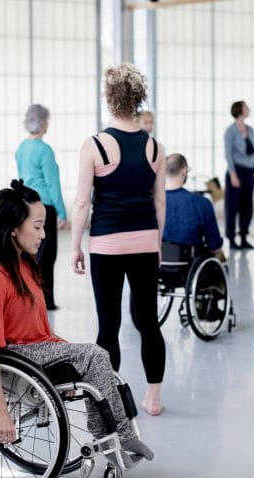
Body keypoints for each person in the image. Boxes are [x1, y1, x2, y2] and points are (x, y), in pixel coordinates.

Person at [0, 180, 153, 461]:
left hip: (35, 350)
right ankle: (118, 436)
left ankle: (114, 436)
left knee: (96, 363)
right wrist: (1, 412)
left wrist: (68, 357)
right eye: (38, 227)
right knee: (95, 354)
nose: (44, 234)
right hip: (14, 357)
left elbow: (40, 331)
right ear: (13, 228)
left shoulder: (24, 264)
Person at [71, 63, 166, 416]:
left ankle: (108, 400)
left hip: (106, 245)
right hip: (145, 243)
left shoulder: (95, 145)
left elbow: (82, 202)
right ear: (138, 100)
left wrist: (75, 246)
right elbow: (160, 202)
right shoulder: (155, 147)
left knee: (108, 324)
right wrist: (158, 244)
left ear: (109, 101)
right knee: (149, 322)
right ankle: (153, 398)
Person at [15, 104, 66, 310]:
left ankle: (28, 295)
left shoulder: (21, 148)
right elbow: (53, 183)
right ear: (43, 122)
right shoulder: (44, 149)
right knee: (47, 253)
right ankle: (46, 299)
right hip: (45, 205)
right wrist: (62, 211)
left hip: (26, 204)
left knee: (30, 252)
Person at [162, 153, 224, 258]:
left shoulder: (150, 202)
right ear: (184, 171)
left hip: (157, 265)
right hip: (190, 264)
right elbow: (215, 246)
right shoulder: (202, 203)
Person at [223, 100, 254, 250]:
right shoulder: (230, 131)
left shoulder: (250, 130)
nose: (248, 109)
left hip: (249, 172)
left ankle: (244, 237)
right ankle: (232, 240)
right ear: (239, 110)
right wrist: (233, 175)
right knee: (232, 206)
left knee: (247, 206)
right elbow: (228, 154)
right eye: (246, 107)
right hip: (236, 171)